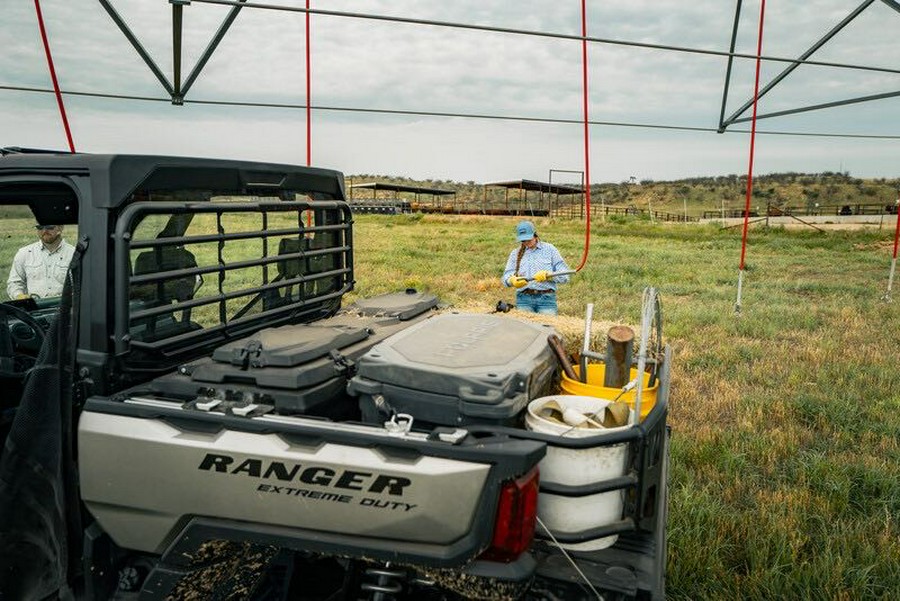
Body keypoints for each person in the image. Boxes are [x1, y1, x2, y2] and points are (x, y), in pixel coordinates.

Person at [501, 220, 571, 315]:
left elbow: (565, 276)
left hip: (546, 300)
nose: (526, 242)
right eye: (523, 240)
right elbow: (506, 277)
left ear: (535, 234)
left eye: (528, 239)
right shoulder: (515, 253)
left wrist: (549, 276)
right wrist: (512, 280)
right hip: (523, 299)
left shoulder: (550, 249)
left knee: (547, 328)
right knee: (525, 328)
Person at [6, 224, 75, 300]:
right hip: (34, 309)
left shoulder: (74, 254)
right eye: (40, 228)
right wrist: (19, 296)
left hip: (66, 308)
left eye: (49, 227)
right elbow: (14, 283)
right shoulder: (24, 253)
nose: (44, 231)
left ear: (61, 228)